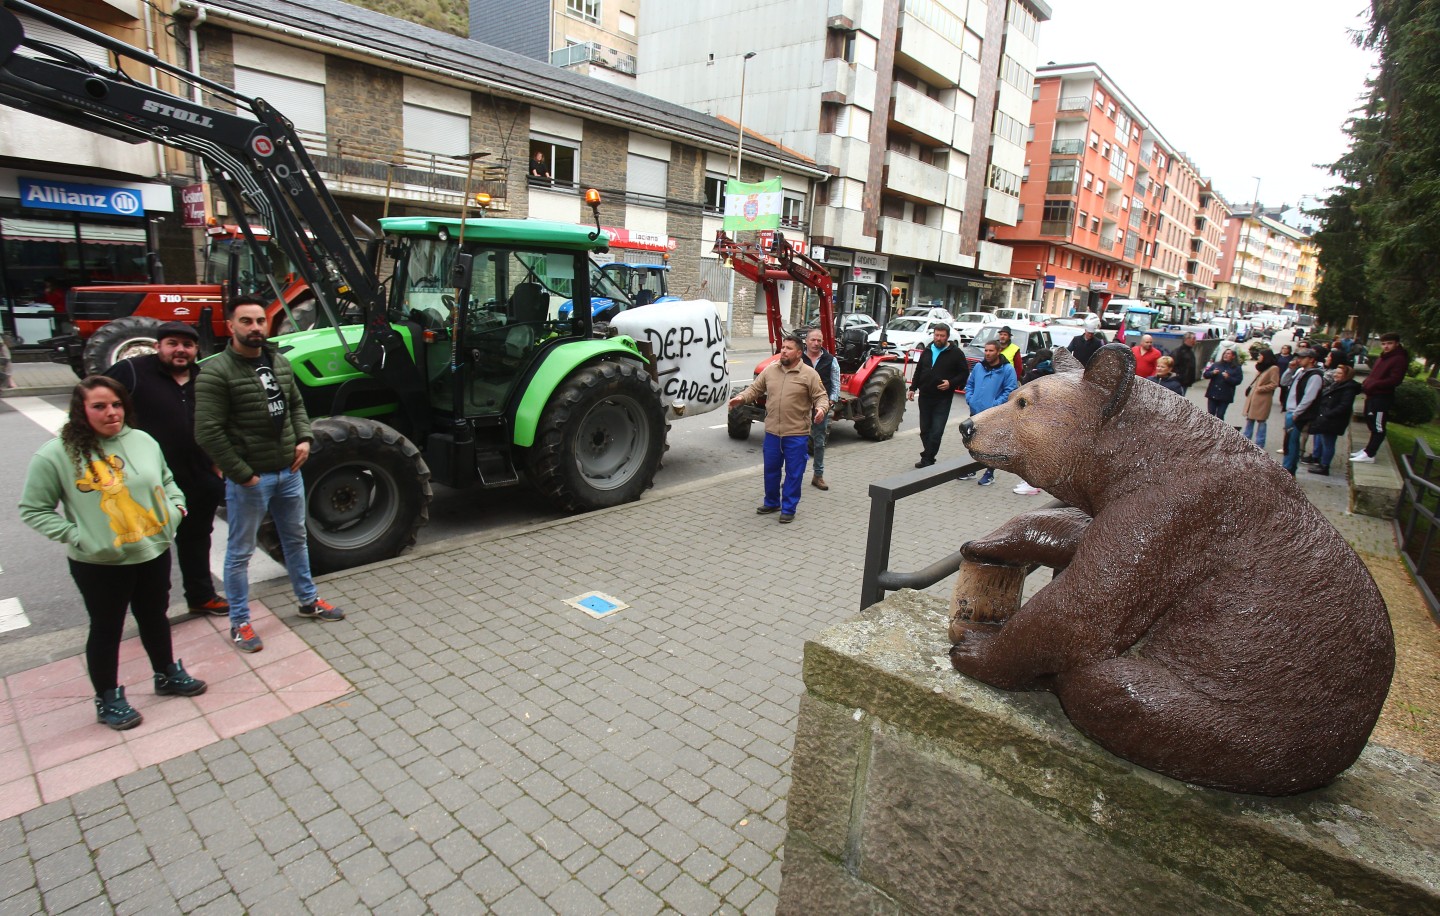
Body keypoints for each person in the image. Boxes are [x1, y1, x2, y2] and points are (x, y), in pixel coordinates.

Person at [18, 377, 206, 730]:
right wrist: (78, 536)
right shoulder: (56, 454)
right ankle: (107, 697)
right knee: (107, 628)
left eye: (116, 404)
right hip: (100, 562)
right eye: (99, 406)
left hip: (152, 550)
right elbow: (33, 509)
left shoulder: (142, 440)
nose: (111, 413)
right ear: (81, 411)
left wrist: (176, 508)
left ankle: (166, 674)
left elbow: (166, 479)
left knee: (155, 616)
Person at [195, 297, 346, 654]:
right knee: (240, 553)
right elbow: (207, 432)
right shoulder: (216, 373)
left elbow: (295, 404)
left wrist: (305, 439)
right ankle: (240, 622)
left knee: (295, 540)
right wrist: (242, 474)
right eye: (246, 321)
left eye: (260, 320)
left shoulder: (277, 361)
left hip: (288, 473)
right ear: (230, 325)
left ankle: (308, 600)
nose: (255, 328)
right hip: (252, 480)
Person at [105, 322, 227, 617]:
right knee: (147, 546)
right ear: (158, 346)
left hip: (198, 477)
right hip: (147, 481)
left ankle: (201, 596)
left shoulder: (204, 378)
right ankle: (151, 609)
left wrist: (218, 465)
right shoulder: (131, 372)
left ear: (197, 350)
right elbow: (94, 403)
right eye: (172, 343)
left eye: (188, 345)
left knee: (196, 539)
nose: (180, 350)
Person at [728, 335, 829, 523]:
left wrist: (821, 409)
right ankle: (772, 502)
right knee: (771, 470)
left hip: (796, 434)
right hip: (773, 432)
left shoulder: (809, 374)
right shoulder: (771, 370)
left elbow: (821, 397)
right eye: (783, 347)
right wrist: (741, 398)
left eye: (789, 348)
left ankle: (789, 508)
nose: (783, 351)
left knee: (794, 473)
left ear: (799, 353)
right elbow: (754, 389)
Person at [908, 323, 968, 468]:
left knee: (936, 431)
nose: (938, 338)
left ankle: (928, 459)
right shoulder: (927, 350)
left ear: (947, 336)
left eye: (942, 336)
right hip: (925, 396)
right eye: (936, 335)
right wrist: (912, 388)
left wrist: (951, 383)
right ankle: (929, 455)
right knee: (925, 430)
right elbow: (919, 370)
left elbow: (964, 373)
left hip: (943, 398)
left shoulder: (956, 353)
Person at [963, 340, 1018, 487]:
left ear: (998, 352)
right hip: (975, 412)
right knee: (972, 442)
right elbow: (970, 384)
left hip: (993, 414)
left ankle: (989, 472)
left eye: (991, 351)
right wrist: (970, 398)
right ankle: (970, 470)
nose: (987, 353)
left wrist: (994, 405)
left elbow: (1010, 390)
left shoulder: (1007, 369)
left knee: (990, 445)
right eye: (986, 350)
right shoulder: (979, 367)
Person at [1353, 332, 1409, 464]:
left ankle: (1370, 454)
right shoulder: (1384, 357)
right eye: (1384, 344)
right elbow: (1374, 374)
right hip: (1373, 395)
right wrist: (1367, 383)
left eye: (1389, 343)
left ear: (1396, 343)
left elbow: (1395, 379)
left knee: (1378, 427)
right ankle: (1367, 450)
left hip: (1382, 397)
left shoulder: (1399, 359)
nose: (1386, 346)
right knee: (1371, 422)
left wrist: (1374, 384)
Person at [1307, 364, 1362, 476]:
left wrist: (1328, 414)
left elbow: (1344, 405)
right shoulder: (1338, 385)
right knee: (1324, 441)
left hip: (1333, 420)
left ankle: (1325, 466)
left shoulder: (1348, 389)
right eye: (1336, 372)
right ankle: (1321, 461)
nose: (1335, 375)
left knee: (1328, 443)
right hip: (1327, 418)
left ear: (1346, 376)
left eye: (1339, 373)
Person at [802, 328, 840, 490]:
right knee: (796, 443)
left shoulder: (830, 360)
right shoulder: (798, 358)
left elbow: (835, 382)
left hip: (820, 408)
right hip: (800, 407)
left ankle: (818, 476)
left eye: (819, 340)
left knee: (819, 442)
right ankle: (793, 476)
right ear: (806, 341)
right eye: (813, 340)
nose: (816, 343)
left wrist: (830, 402)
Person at [1280, 348, 1325, 476]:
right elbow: (1284, 382)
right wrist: (1290, 369)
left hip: (1297, 413)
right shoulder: (1300, 371)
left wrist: (1297, 413)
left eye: (1302, 358)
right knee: (1289, 442)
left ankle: (1288, 469)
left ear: (1311, 359)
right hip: (1291, 410)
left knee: (1291, 442)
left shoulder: (1315, 375)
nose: (1298, 360)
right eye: (1298, 357)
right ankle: (1288, 468)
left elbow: (1309, 397)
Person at [1241, 348, 1280, 448]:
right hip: (1254, 398)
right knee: (1250, 419)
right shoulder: (1262, 368)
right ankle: (1246, 440)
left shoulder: (1273, 368)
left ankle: (1259, 443)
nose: (1258, 357)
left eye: (1260, 355)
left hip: (1263, 399)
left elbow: (1274, 384)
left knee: (1261, 421)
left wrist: (1260, 388)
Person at [1201, 348, 1243, 420]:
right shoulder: (1216, 364)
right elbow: (1205, 374)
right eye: (1224, 353)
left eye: (1228, 354)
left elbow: (1238, 381)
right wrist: (1212, 373)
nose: (1225, 355)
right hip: (1213, 393)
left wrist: (1228, 378)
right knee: (1211, 413)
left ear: (1233, 356)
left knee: (1220, 414)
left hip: (1225, 395)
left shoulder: (1237, 368)